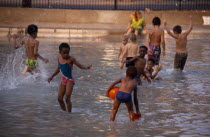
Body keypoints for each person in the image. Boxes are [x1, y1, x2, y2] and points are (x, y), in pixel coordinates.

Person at [48, 43, 92, 113]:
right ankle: (64, 112)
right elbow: (58, 68)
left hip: (70, 80)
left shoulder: (71, 59)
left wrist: (86, 67)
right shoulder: (59, 58)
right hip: (63, 80)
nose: (66, 54)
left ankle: (69, 113)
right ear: (60, 52)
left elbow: (79, 65)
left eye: (67, 53)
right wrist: (52, 76)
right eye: (64, 53)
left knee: (67, 97)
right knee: (59, 98)